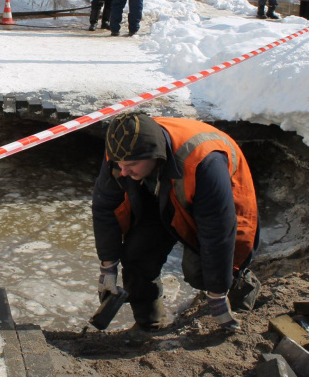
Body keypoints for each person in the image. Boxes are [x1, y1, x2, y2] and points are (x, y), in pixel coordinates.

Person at [92, 113, 261, 333]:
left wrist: (218, 294)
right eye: (120, 165)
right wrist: (108, 267)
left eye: (131, 165)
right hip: (159, 196)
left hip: (210, 203)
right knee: (135, 257)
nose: (123, 171)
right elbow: (105, 206)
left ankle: (241, 288)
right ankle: (150, 326)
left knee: (200, 273)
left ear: (154, 155)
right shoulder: (121, 149)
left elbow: (218, 232)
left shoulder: (203, 162)